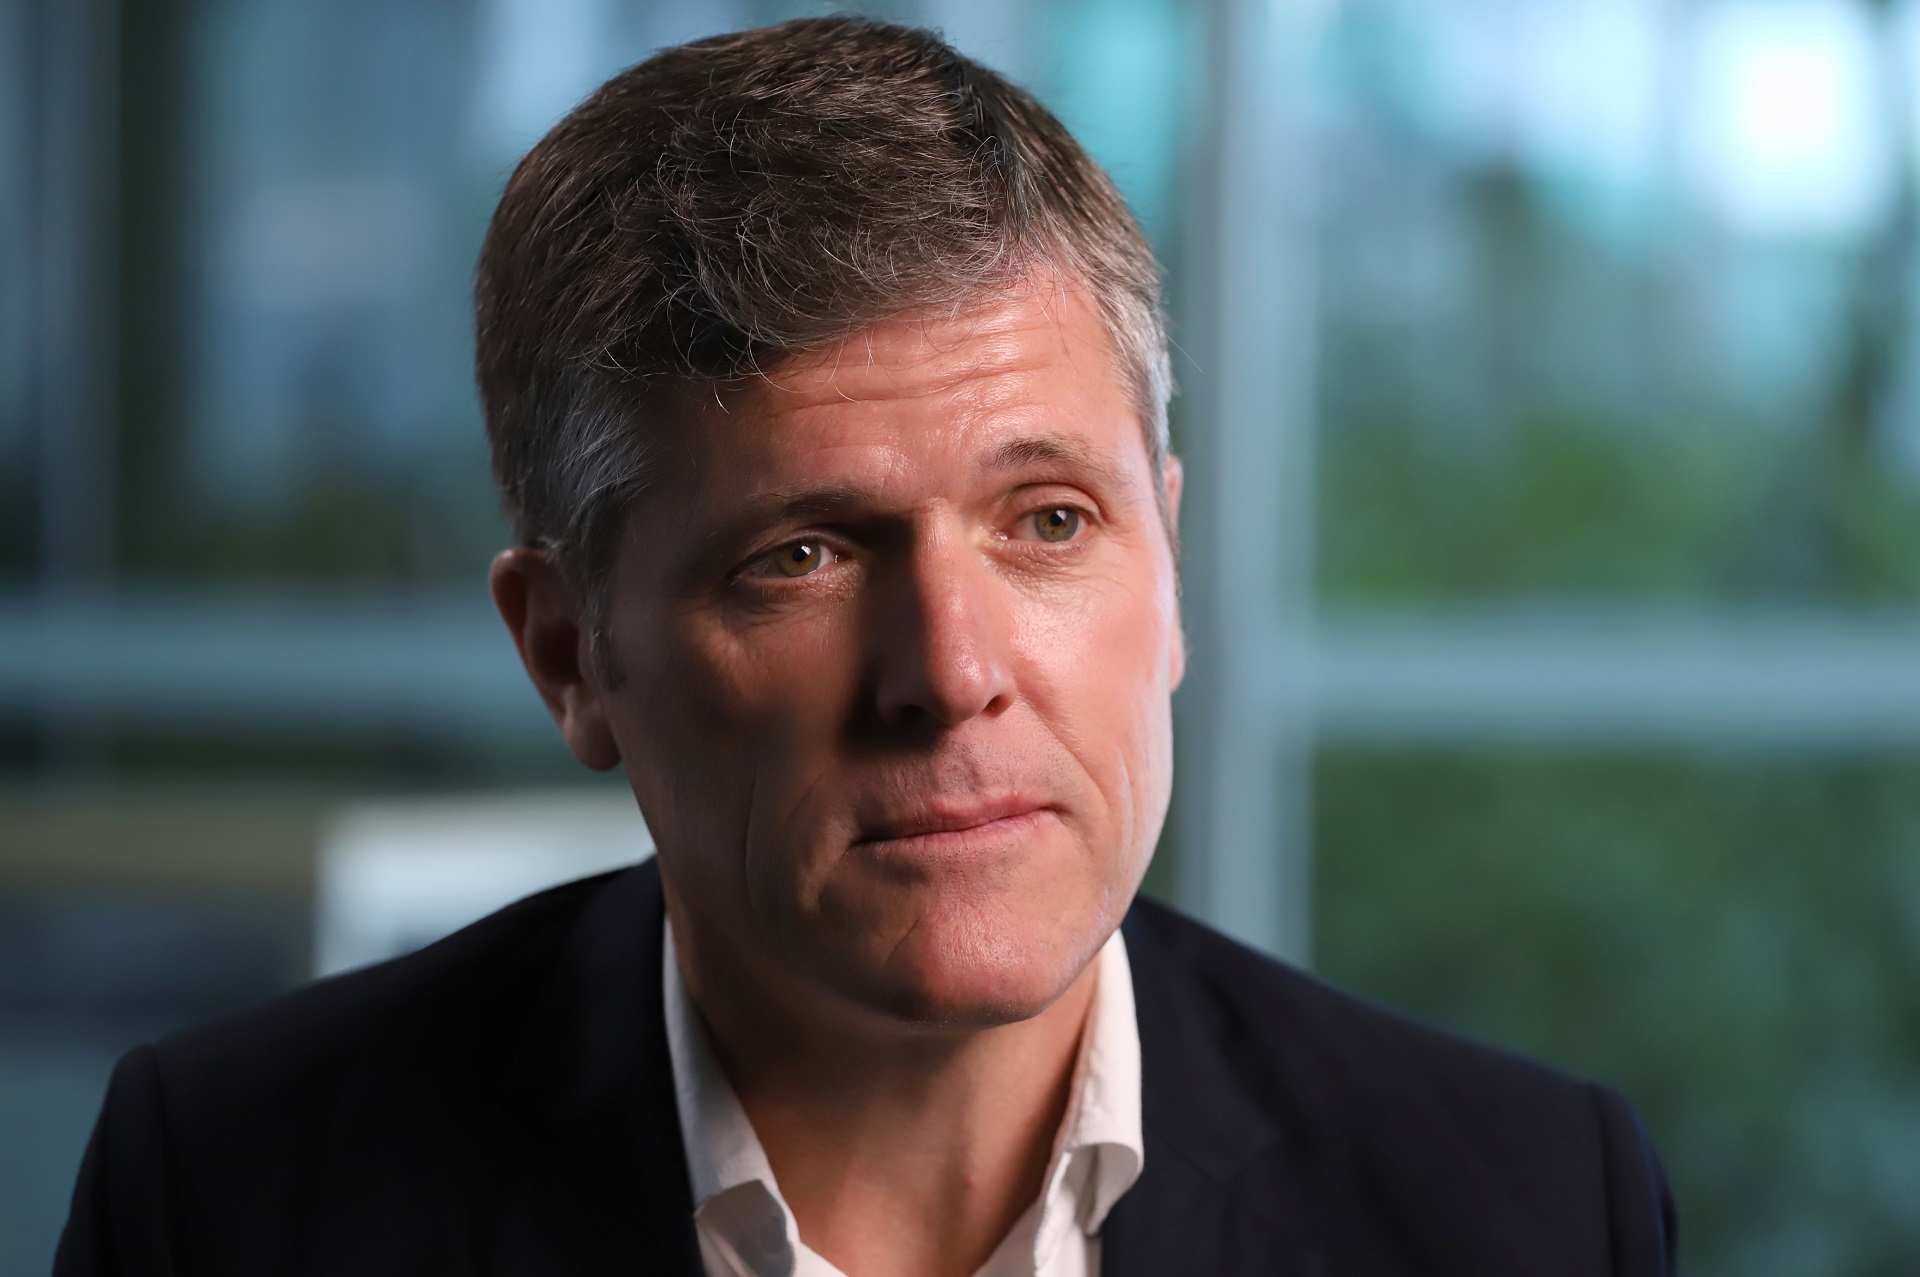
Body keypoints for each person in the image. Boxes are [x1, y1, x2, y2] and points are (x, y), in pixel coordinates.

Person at [56, 16, 1676, 1276]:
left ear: (1168, 562)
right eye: (804, 555)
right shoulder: (233, 1194)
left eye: (1049, 521)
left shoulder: (1525, 1210)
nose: (951, 669)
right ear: (569, 655)